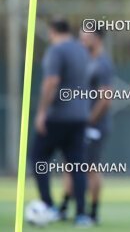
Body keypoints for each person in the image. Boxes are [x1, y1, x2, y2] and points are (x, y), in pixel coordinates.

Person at [32, 17, 93, 227]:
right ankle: (82, 214)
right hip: (80, 116)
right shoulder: (82, 50)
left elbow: (51, 81)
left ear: (52, 32)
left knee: (38, 158)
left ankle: (47, 206)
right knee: (77, 165)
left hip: (58, 116)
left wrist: (41, 112)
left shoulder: (56, 51)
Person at [59, 29, 115, 224]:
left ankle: (93, 213)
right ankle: (64, 207)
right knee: (69, 165)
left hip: (94, 126)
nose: (82, 42)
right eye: (80, 38)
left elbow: (105, 98)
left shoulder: (102, 63)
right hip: (77, 124)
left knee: (90, 167)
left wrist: (89, 121)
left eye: (86, 39)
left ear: (97, 39)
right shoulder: (84, 61)